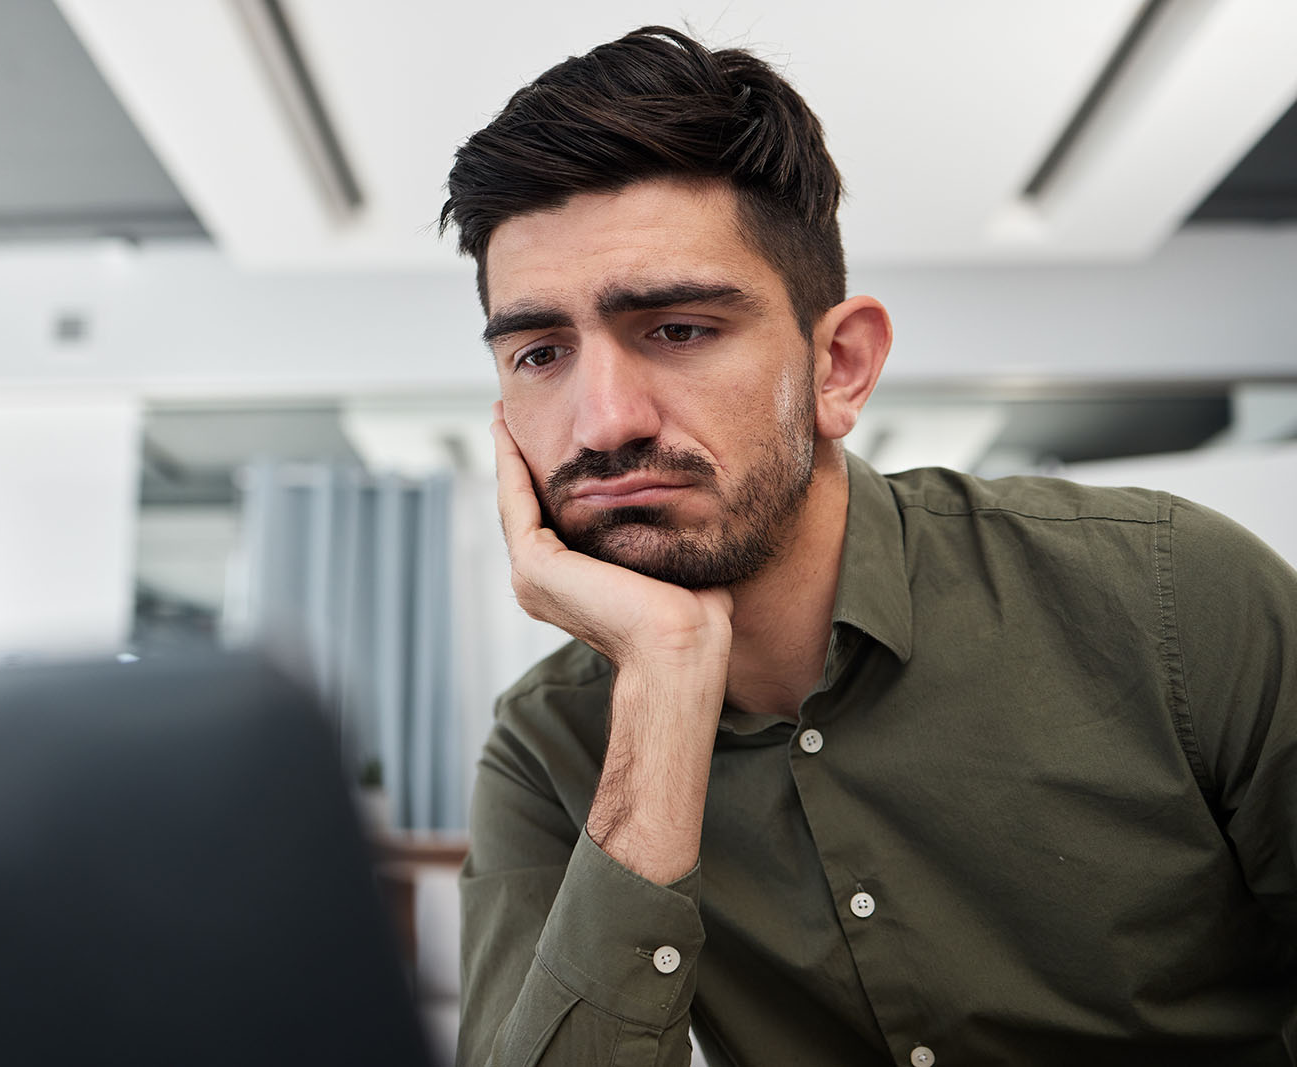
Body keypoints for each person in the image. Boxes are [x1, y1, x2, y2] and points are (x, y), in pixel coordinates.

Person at [438, 25, 1297, 1067]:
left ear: (839, 365)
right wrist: (662, 691)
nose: (603, 420)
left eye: (678, 329)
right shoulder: (549, 745)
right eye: (540, 352)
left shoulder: (1175, 597)